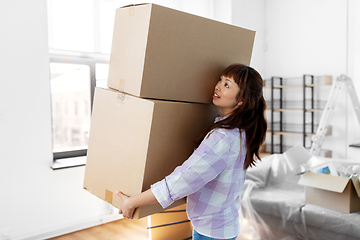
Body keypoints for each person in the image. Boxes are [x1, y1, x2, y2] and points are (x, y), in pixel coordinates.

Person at [115, 63, 267, 240]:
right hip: (222, 226)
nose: (217, 86)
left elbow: (184, 179)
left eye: (227, 85)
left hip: (212, 232)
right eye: (220, 80)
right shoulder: (241, 132)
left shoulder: (223, 139)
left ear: (242, 100)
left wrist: (132, 201)